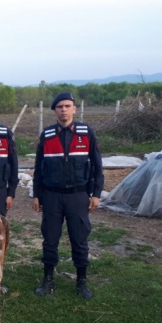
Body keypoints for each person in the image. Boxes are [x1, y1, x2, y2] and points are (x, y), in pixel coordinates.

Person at [32, 92, 103, 299]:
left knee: (79, 240)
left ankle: (81, 281)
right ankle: (47, 279)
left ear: (74, 109)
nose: (63, 110)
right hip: (52, 196)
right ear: (54, 110)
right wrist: (37, 195)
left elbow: (98, 167)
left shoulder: (86, 133)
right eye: (60, 106)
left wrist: (96, 194)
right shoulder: (46, 135)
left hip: (78, 196)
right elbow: (39, 168)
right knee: (50, 240)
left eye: (67, 106)